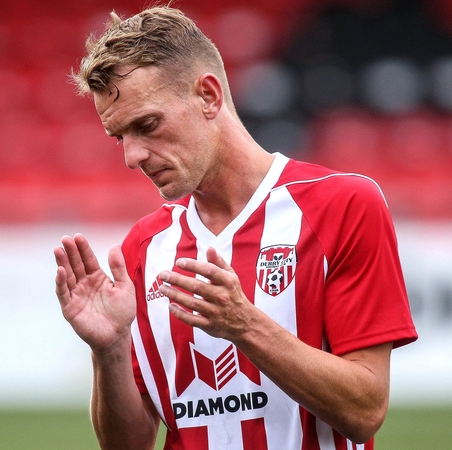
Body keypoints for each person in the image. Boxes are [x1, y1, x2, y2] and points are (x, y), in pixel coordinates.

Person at [54, 6, 417, 450]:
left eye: (146, 126)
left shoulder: (343, 207)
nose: (133, 157)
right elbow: (129, 445)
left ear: (208, 96)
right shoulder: (143, 249)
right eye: (120, 137)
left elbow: (364, 412)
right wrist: (109, 351)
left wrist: (245, 326)